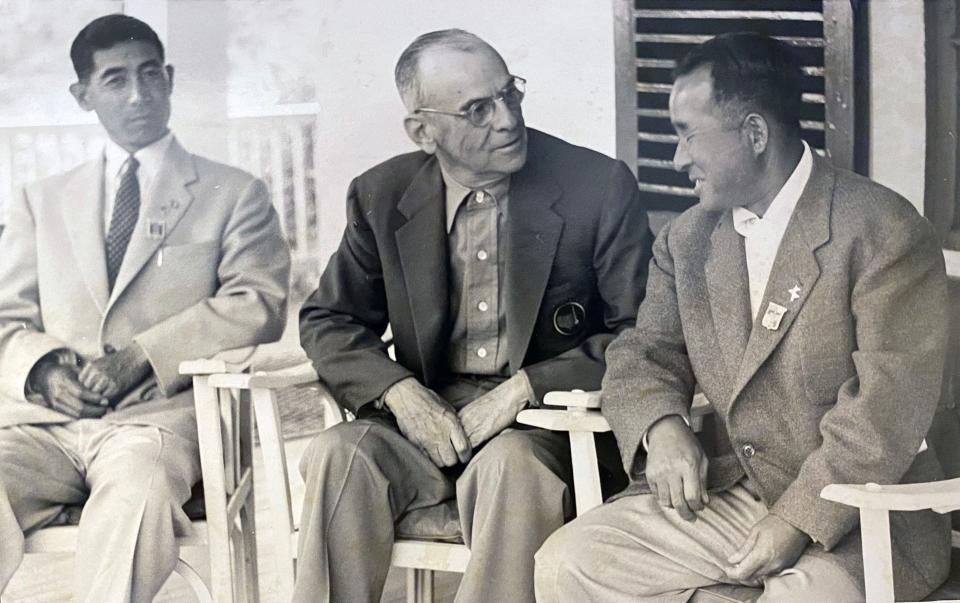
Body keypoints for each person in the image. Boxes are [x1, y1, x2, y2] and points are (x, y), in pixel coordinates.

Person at [535, 32, 951, 602]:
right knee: (568, 564)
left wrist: (796, 521)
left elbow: (886, 410)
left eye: (687, 134)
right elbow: (642, 353)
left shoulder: (884, 231)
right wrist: (662, 426)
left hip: (865, 517)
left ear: (755, 133)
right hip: (742, 497)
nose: (676, 157)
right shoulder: (688, 240)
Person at [295, 28, 652, 602]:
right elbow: (328, 319)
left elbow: (641, 332)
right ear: (423, 130)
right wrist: (399, 394)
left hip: (545, 430)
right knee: (343, 453)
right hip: (428, 421)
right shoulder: (381, 194)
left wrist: (522, 390)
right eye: (477, 110)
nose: (508, 120)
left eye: (510, 94)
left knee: (509, 464)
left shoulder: (595, 186)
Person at [0, 14, 290, 602]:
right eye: (115, 80)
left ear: (170, 79)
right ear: (83, 96)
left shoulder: (232, 192)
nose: (139, 94)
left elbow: (257, 303)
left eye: (150, 74)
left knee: (136, 490)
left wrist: (142, 356)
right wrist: (46, 372)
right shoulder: (42, 200)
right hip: (48, 428)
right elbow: (6, 319)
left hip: (155, 422)